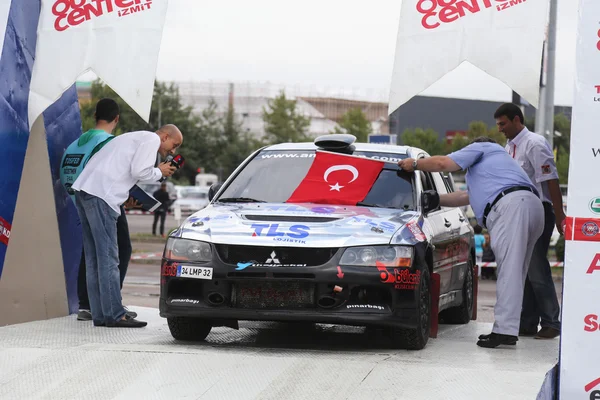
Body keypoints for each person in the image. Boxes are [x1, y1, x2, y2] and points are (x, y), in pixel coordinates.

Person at [398, 137, 544, 348]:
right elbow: (465, 197)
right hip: (531, 206)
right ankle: (509, 328)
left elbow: (442, 164)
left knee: (509, 271)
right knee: (517, 272)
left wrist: (413, 164)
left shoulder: (483, 147)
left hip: (512, 207)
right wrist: (437, 199)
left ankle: (504, 331)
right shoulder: (498, 166)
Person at [72, 124, 182, 328]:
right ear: (165, 136)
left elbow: (120, 171)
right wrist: (160, 171)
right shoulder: (151, 139)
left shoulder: (132, 136)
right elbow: (140, 171)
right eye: (174, 144)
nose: (173, 151)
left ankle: (100, 315)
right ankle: (114, 314)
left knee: (94, 259)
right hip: (101, 197)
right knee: (108, 259)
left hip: (85, 191)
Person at [60, 98, 138, 321]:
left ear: (95, 116)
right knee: (118, 250)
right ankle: (111, 304)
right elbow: (113, 172)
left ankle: (86, 304)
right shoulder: (108, 142)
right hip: (105, 200)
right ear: (116, 119)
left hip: (80, 199)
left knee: (91, 252)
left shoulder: (76, 143)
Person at [494, 103, 564, 340]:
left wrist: (559, 216)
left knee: (536, 268)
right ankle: (527, 322)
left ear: (516, 120)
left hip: (540, 210)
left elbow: (551, 180)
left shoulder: (534, 143)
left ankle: (552, 322)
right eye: (498, 125)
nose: (500, 129)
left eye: (503, 123)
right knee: (523, 268)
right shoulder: (509, 147)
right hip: (519, 213)